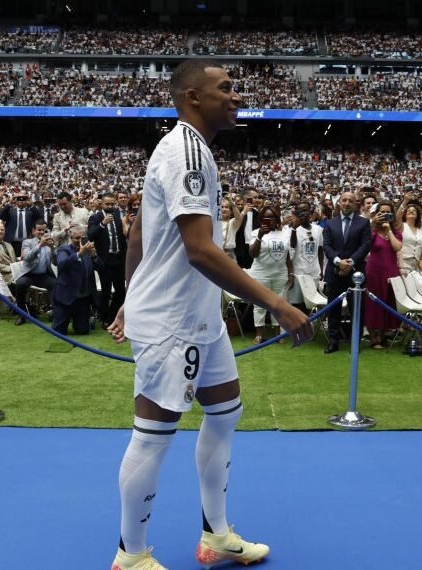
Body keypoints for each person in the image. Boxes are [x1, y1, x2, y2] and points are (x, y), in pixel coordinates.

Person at [105, 58, 313, 570]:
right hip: (174, 321)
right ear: (192, 97)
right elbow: (200, 250)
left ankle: (216, 536)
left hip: (198, 316)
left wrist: (130, 299)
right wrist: (278, 303)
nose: (235, 95)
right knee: (153, 435)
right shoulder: (188, 154)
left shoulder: (183, 149)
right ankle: (131, 555)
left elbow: (138, 233)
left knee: (226, 412)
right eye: (225, 88)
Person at [322, 190, 372, 354]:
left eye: (350, 201)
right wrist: (338, 262)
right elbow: (327, 246)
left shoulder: (364, 223)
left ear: (355, 204)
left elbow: (365, 245)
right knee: (333, 308)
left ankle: (355, 343)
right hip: (334, 272)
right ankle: (333, 342)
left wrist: (350, 262)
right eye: (344, 200)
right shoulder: (330, 223)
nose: (347, 203)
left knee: (356, 309)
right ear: (339, 202)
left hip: (355, 273)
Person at [247, 204, 293, 344]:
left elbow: (287, 256)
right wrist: (260, 236)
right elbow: (253, 254)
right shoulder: (255, 232)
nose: (270, 220)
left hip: (280, 274)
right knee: (259, 304)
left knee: (278, 304)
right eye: (266, 218)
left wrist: (291, 273)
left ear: (277, 219)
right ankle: (259, 333)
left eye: (272, 217)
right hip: (261, 273)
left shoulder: (285, 233)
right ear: (261, 219)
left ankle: (278, 332)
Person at [362, 200, 402, 349]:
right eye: (382, 212)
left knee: (388, 302)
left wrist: (389, 230)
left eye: (388, 212)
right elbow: (367, 245)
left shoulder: (396, 232)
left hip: (391, 271)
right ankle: (373, 337)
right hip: (374, 272)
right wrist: (373, 224)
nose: (385, 214)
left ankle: (384, 334)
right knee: (373, 303)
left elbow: (397, 247)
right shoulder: (372, 231)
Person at [87, 193, 127, 326]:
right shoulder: (95, 217)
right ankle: (105, 318)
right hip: (104, 260)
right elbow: (91, 236)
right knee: (106, 291)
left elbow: (121, 239)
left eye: (112, 204)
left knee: (121, 291)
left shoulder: (117, 218)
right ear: (102, 204)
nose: (110, 206)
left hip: (118, 259)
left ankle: (113, 315)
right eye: (107, 204)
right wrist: (102, 224)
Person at [52, 227, 98, 335]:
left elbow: (100, 267)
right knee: (58, 332)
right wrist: (78, 255)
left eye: (82, 237)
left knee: (82, 331)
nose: (80, 240)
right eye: (77, 238)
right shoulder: (64, 249)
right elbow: (61, 264)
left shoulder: (89, 249)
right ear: (70, 238)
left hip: (83, 298)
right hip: (66, 297)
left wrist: (94, 255)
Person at [14, 220, 57, 326]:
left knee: (56, 283)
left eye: (44, 230)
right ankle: (21, 314)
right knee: (20, 284)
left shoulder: (50, 242)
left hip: (43, 275)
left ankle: (56, 313)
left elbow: (56, 262)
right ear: (33, 231)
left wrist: (52, 248)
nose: (42, 232)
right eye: (39, 230)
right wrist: (40, 245)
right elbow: (27, 258)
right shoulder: (27, 242)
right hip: (29, 274)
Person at [286, 201, 323, 310]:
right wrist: (294, 228)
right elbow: (292, 246)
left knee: (310, 304)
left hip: (314, 272)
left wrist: (321, 268)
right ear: (296, 213)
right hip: (299, 273)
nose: (304, 213)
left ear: (310, 211)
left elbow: (320, 250)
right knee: (297, 303)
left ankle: (308, 324)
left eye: (306, 210)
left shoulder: (318, 229)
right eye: (300, 211)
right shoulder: (291, 229)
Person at [0, 192, 36, 257]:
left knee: (26, 261)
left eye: (23, 200)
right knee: (12, 262)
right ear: (16, 202)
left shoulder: (30, 211)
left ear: (26, 201)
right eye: (19, 199)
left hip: (27, 243)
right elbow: (1, 216)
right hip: (11, 242)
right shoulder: (10, 211)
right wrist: (10, 203)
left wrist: (32, 205)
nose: (21, 201)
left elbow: (39, 217)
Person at [396, 199, 422, 274]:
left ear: (417, 215)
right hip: (402, 265)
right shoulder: (401, 226)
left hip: (417, 267)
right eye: (408, 210)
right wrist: (405, 202)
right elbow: (397, 218)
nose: (411, 211)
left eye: (414, 210)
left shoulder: (421, 230)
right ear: (405, 214)